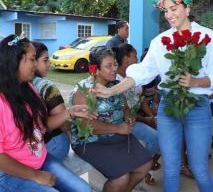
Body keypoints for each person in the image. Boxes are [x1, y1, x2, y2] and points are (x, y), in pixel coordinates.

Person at [94, 0, 213, 192]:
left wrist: (195, 82)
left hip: (197, 108)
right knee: (170, 168)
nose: (169, 15)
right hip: (169, 107)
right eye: (165, 11)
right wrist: (110, 90)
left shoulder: (208, 37)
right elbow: (141, 73)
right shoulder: (160, 42)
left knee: (199, 169)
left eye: (173, 8)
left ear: (187, 8)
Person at [0, 35, 93, 191]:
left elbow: (42, 125)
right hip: (9, 172)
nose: (36, 64)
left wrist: (70, 112)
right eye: (32, 59)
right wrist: (35, 176)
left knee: (84, 190)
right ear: (14, 61)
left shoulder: (27, 88)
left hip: (40, 160)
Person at [68, 46, 153, 192]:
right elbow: (86, 125)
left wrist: (128, 118)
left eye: (115, 64)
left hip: (118, 136)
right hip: (91, 141)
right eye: (108, 66)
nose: (114, 68)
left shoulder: (114, 86)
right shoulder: (83, 91)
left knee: (145, 165)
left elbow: (124, 108)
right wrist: (118, 128)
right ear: (96, 69)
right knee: (121, 177)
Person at [113, 43, 161, 185]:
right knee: (157, 138)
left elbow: (142, 101)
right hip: (123, 122)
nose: (137, 60)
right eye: (134, 56)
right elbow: (124, 112)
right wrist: (147, 120)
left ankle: (147, 166)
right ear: (126, 59)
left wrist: (152, 117)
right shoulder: (116, 80)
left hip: (137, 118)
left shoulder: (134, 76)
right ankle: (145, 168)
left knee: (167, 132)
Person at [32, 41, 70, 162]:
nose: (49, 64)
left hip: (35, 146)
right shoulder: (46, 86)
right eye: (45, 60)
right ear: (33, 60)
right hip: (53, 143)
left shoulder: (15, 83)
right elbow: (63, 123)